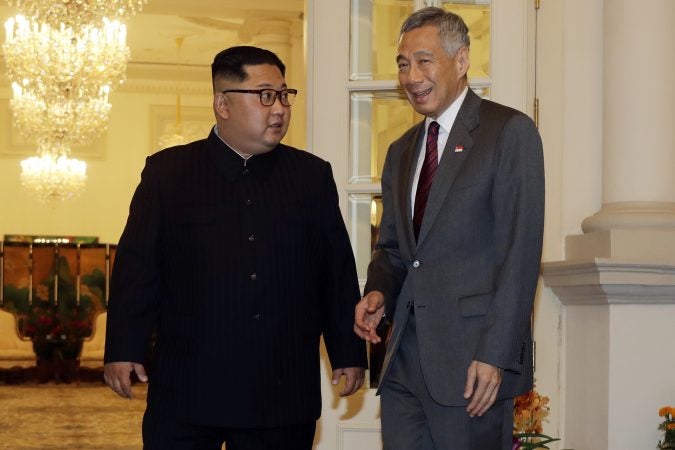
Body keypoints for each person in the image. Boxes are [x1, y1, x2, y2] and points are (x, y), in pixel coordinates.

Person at [104, 45, 367, 450]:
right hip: (188, 388)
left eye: (283, 94)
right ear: (222, 104)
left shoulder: (311, 176)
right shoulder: (169, 172)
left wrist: (348, 352)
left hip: (280, 393)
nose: (278, 107)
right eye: (264, 95)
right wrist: (123, 348)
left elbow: (335, 272)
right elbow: (137, 269)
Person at [353, 7, 544, 450]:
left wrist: (494, 355)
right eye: (403, 63)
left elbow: (519, 255)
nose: (411, 75)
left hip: (471, 365)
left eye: (424, 60)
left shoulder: (508, 131)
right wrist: (379, 290)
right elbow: (395, 248)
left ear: (461, 61)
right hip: (402, 363)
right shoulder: (401, 150)